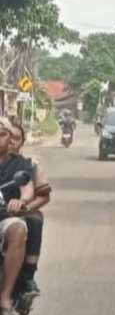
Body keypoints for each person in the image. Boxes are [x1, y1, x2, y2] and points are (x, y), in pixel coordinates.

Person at [0, 116, 36, 315]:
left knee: (18, 229)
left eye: (2, 135)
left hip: (5, 218)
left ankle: (5, 297)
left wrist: (20, 202)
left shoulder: (20, 164)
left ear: (9, 138)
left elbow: (27, 189)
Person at [8, 122, 50, 299]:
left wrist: (24, 207)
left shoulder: (29, 165)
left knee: (34, 220)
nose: (10, 142)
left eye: (15, 138)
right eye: (6, 137)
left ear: (22, 142)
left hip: (20, 213)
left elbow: (43, 195)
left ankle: (28, 276)